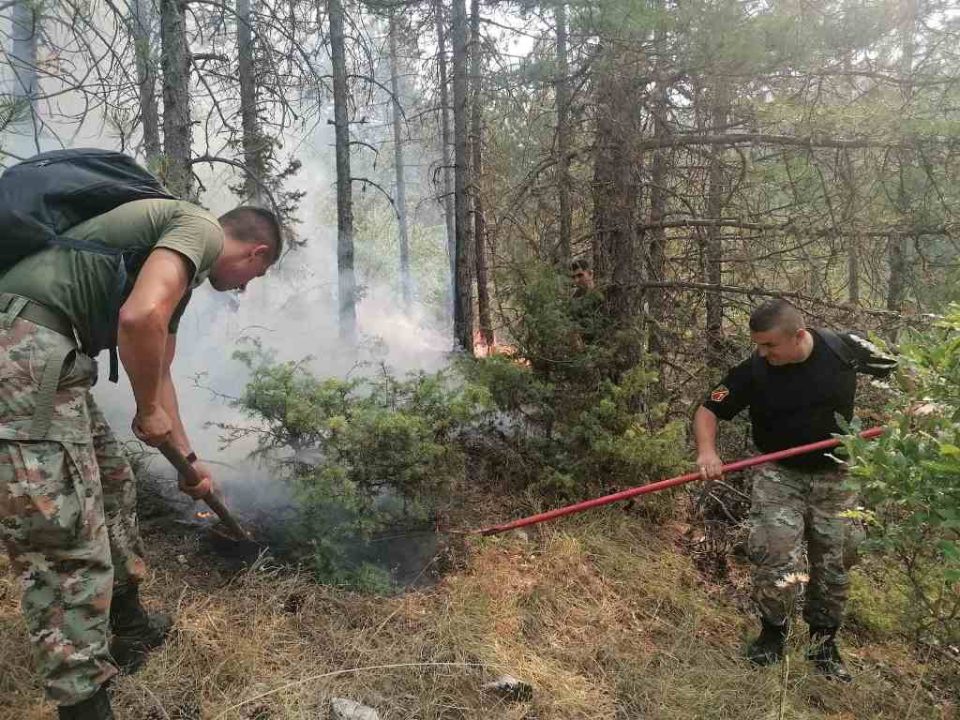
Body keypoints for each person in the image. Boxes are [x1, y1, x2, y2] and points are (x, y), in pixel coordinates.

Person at [0, 198, 282, 719]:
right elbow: (139, 316)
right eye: (254, 276)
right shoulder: (197, 229)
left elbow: (162, 373)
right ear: (255, 252)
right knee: (63, 542)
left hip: (52, 362)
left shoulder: (176, 264)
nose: (244, 288)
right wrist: (147, 409)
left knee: (113, 484)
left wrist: (191, 462)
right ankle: (84, 705)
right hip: (21, 356)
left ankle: (128, 627)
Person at [692, 299, 896, 682]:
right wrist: (707, 452)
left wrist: (916, 408)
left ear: (798, 336)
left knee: (835, 560)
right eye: (758, 345)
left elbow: (901, 368)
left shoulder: (844, 347)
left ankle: (824, 645)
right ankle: (772, 636)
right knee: (774, 553)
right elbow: (708, 409)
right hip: (778, 473)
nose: (762, 352)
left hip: (837, 475)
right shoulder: (755, 370)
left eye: (770, 345)